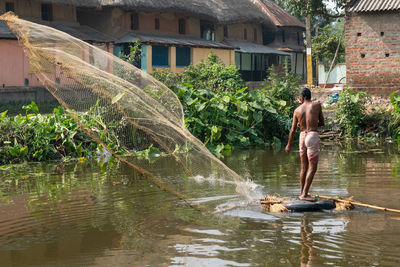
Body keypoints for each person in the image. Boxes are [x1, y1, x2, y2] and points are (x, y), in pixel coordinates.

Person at [285, 88, 324, 201]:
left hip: (302, 136)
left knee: (303, 167)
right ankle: (304, 195)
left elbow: (292, 130)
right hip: (312, 135)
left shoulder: (297, 110)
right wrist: (313, 123)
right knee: (313, 168)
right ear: (310, 96)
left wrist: (288, 145)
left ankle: (302, 192)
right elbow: (322, 122)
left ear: (301, 98)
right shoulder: (316, 105)